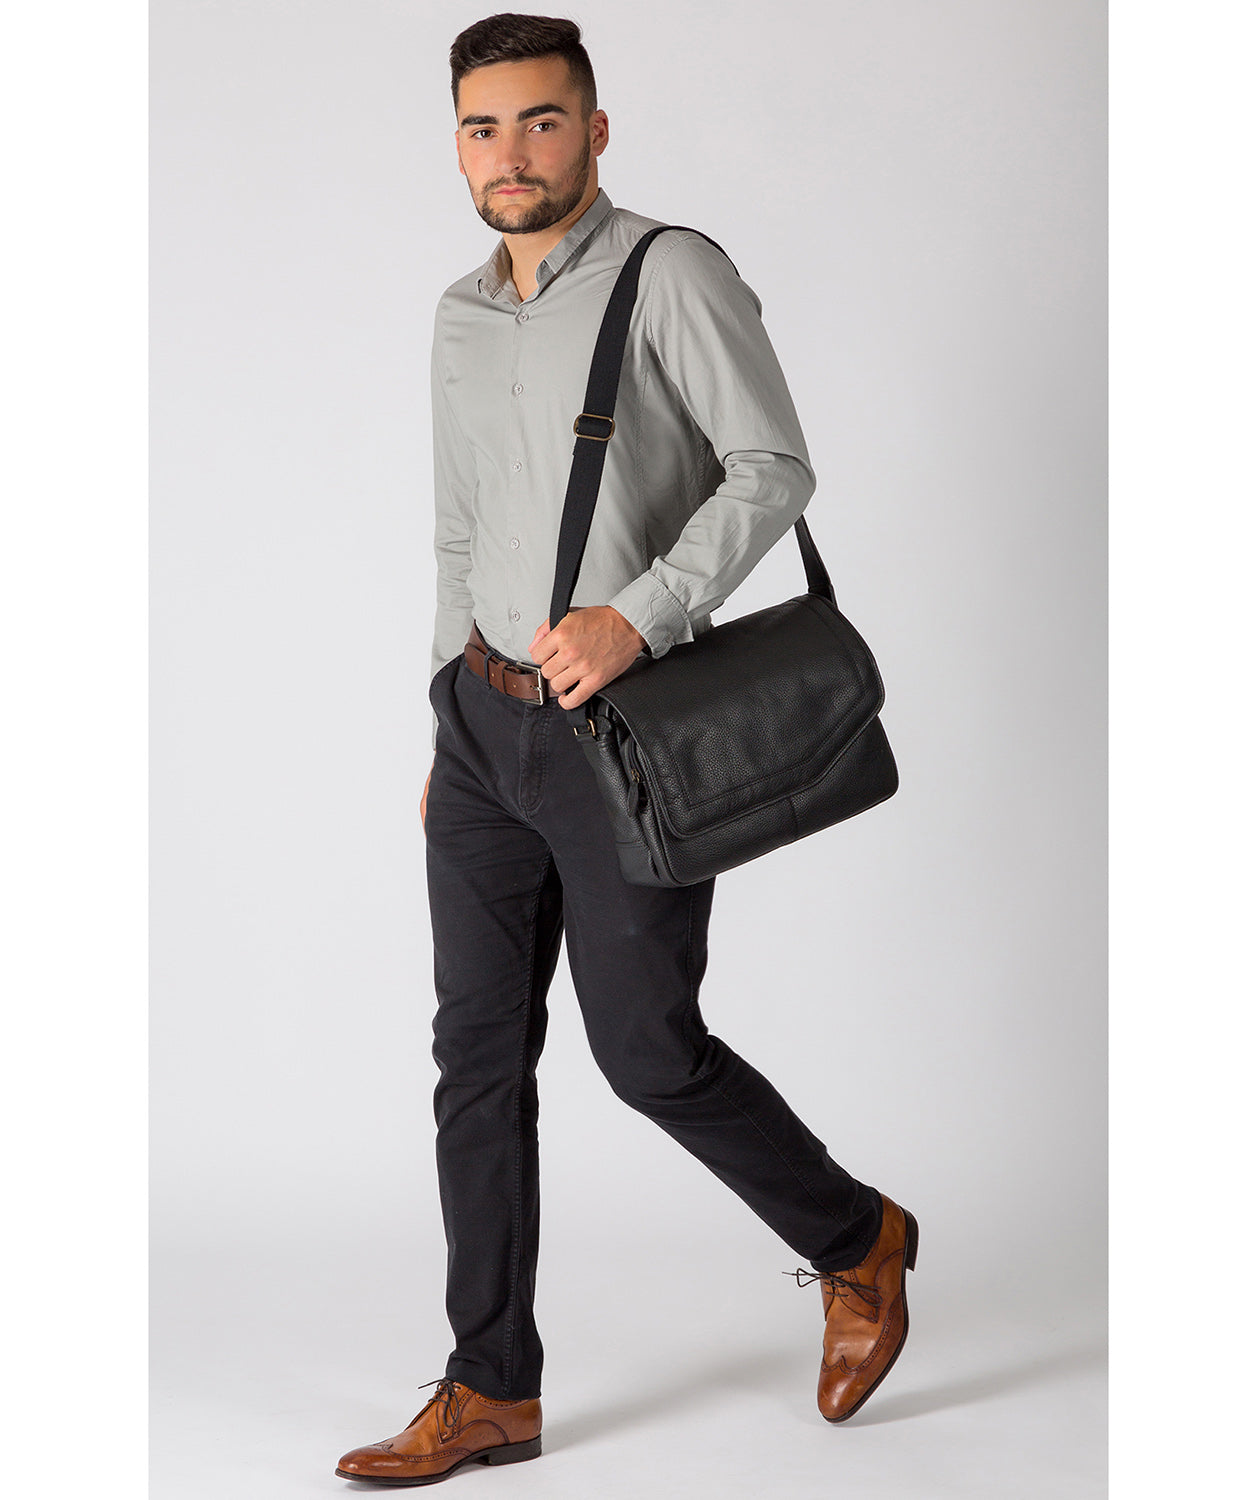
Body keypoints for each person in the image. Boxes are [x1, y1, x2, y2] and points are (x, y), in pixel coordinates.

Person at [336, 13, 918, 1486]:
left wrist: (639, 615)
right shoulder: (458, 314)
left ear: (595, 130)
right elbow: (458, 524)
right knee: (474, 1059)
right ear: (455, 145)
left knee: (647, 1053)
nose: (510, 153)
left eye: (541, 121)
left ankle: (858, 1236)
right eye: (482, 128)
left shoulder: (672, 272)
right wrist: (443, 706)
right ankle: (492, 1388)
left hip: (626, 736)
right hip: (481, 730)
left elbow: (773, 467)